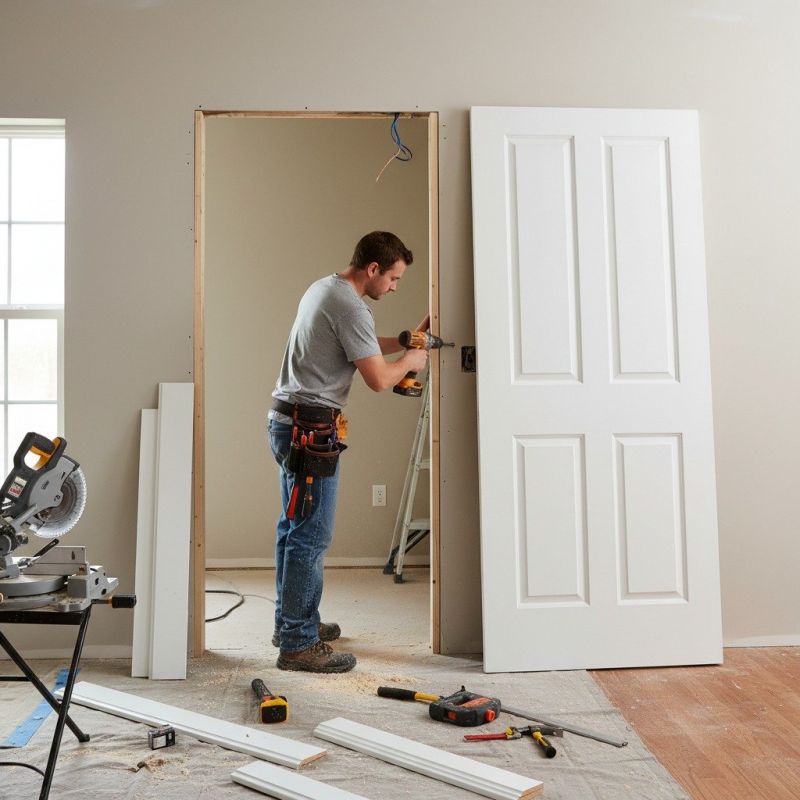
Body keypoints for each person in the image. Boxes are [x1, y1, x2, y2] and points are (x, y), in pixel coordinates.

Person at [268, 231, 429, 673]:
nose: (395, 286)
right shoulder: (350, 304)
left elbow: (360, 344)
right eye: (393, 278)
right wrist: (412, 364)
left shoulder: (326, 288)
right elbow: (379, 380)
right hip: (310, 429)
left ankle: (292, 624)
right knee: (311, 536)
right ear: (372, 269)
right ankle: (298, 644)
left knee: (293, 528)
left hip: (288, 421)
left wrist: (402, 341)